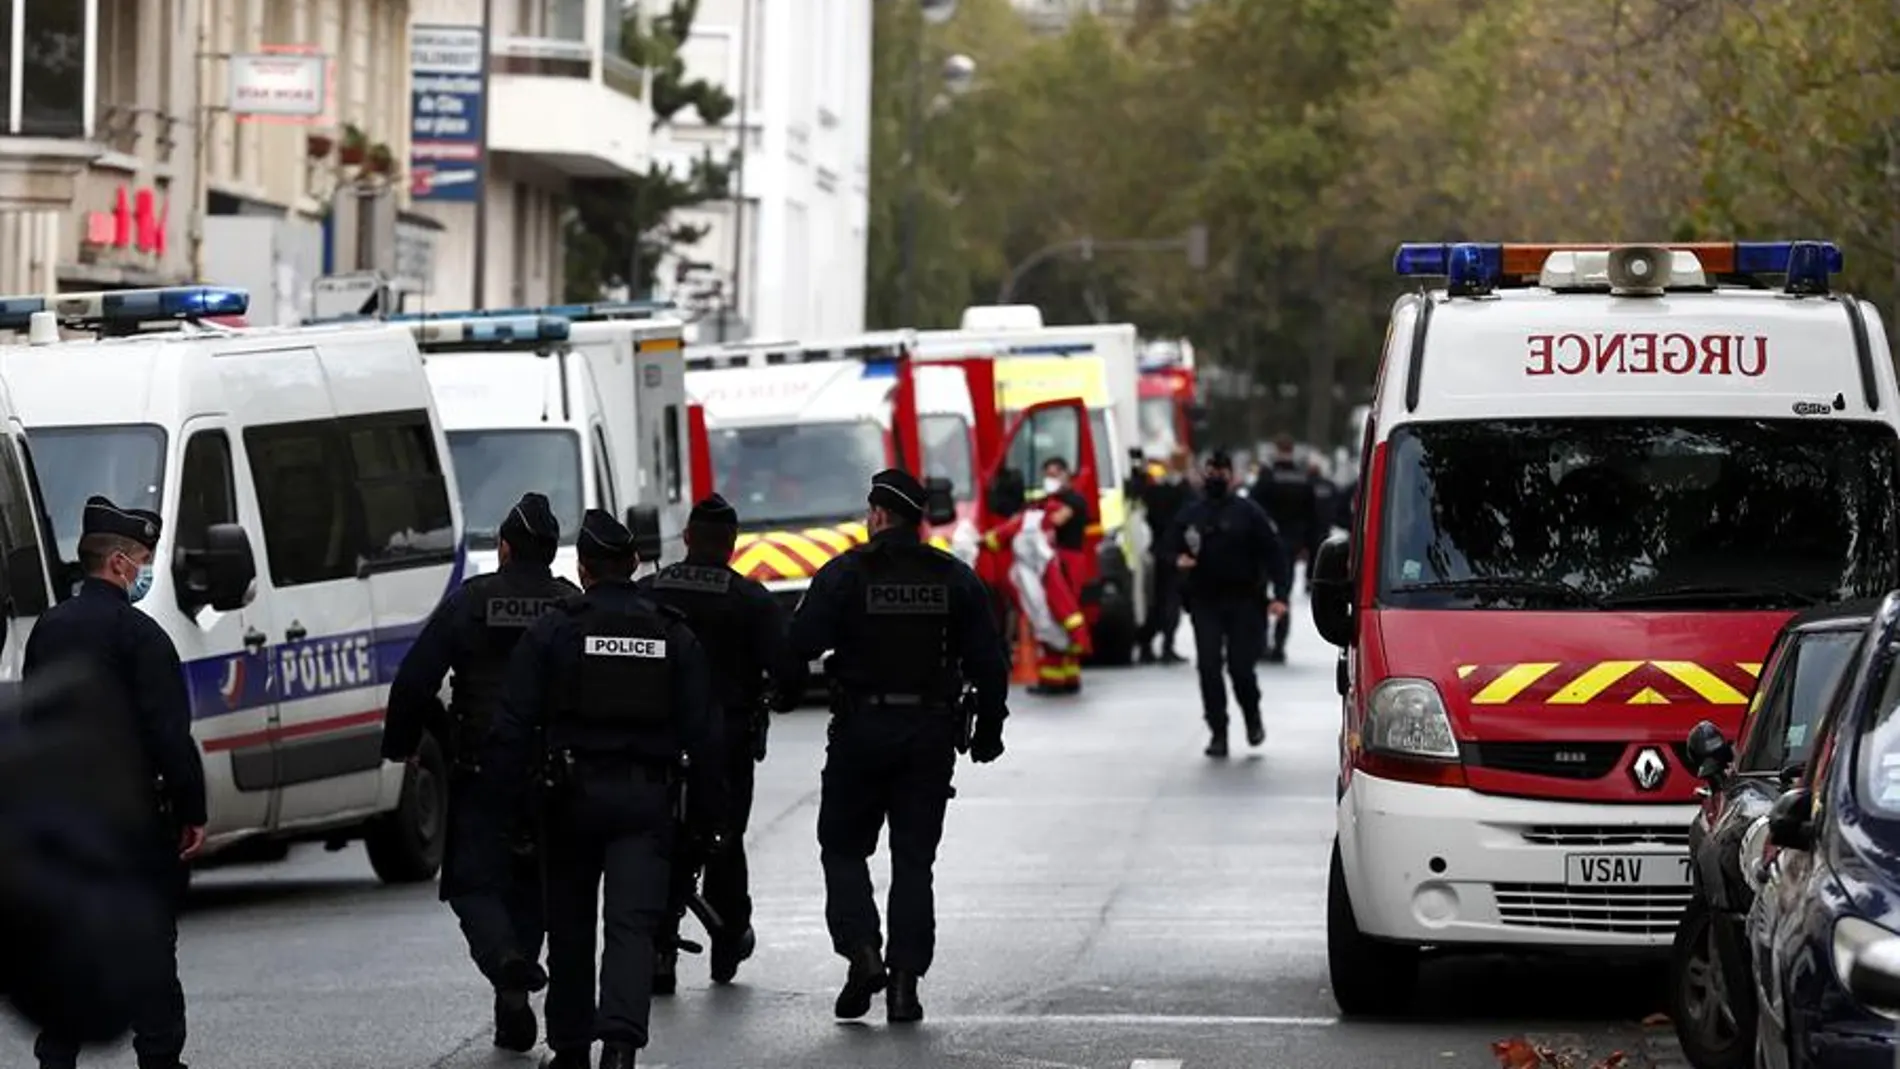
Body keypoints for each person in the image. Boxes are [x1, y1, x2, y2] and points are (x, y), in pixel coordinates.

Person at [482, 510, 723, 1069]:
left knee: (569, 924)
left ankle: (570, 1048)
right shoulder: (670, 631)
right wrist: (710, 820)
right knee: (631, 925)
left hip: (569, 797)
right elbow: (705, 735)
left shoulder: (556, 628)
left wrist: (508, 808)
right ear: (634, 563)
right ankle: (618, 1046)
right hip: (647, 799)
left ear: (583, 567)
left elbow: (512, 723)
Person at [789, 469, 1009, 1025]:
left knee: (841, 847)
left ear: (881, 516)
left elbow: (800, 643)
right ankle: (904, 986)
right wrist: (989, 731)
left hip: (861, 732)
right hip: (929, 736)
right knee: (914, 861)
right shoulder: (953, 578)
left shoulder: (845, 575)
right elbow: (989, 661)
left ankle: (862, 951)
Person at [383, 492, 576, 1052]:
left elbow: (416, 680)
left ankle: (506, 966)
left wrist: (403, 745)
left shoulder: (472, 602)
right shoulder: (570, 605)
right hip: (553, 772)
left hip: (483, 767)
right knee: (533, 885)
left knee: (472, 882)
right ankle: (513, 988)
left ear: (506, 548)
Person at [22, 495, 207, 1069]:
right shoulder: (140, 636)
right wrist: (191, 810)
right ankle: (159, 1058)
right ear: (122, 564)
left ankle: (56, 1058)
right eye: (144, 558)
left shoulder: (47, 631)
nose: (146, 569)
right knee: (149, 944)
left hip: (60, 817)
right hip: (129, 818)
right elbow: (169, 734)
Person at [635, 492, 799, 991]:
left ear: (686, 538)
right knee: (724, 840)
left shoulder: (647, 592)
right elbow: (790, 674)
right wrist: (777, 698)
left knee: (655, 842)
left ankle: (659, 947)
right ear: (732, 545)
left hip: (654, 742)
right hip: (726, 742)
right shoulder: (751, 600)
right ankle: (728, 937)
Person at [1169, 454, 1292, 758]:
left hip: (1244, 601)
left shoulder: (1249, 513)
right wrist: (1177, 560)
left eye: (1221, 471)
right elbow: (1166, 546)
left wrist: (1280, 595)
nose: (1215, 476)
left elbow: (1274, 553)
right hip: (1204, 601)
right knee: (1209, 667)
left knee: (1241, 668)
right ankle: (1218, 731)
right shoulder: (1191, 513)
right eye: (1210, 471)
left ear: (1232, 475)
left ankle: (1252, 716)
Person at [1249, 434, 1320, 664]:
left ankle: (1259, 642)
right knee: (1283, 594)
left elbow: (1252, 508)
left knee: (1259, 591)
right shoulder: (1303, 477)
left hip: (1266, 542)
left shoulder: (1268, 476)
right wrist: (1308, 545)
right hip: (1292, 543)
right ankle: (1279, 645)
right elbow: (1312, 515)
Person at [1035, 457, 1093, 693]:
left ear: (1067, 474)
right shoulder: (1052, 500)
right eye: (1047, 474)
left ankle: (1055, 679)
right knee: (1060, 615)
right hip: (1057, 559)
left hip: (1068, 560)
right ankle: (1068, 676)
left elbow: (1057, 521)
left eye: (1055, 473)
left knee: (1061, 614)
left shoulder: (1074, 501)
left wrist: (1039, 512)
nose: (1051, 479)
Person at [1133, 447, 1193, 663]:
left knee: (1158, 600)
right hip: (1176, 551)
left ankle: (1147, 644)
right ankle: (1166, 645)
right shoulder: (1186, 491)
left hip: (1158, 549)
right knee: (1171, 602)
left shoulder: (1157, 490)